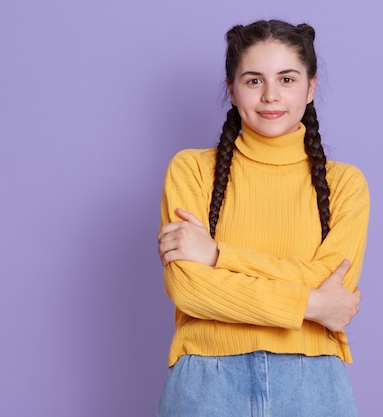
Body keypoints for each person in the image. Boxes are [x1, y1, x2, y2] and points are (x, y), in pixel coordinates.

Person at [156, 19, 370, 417]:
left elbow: (334, 287)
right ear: (232, 91)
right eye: (254, 81)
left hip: (312, 386)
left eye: (287, 79)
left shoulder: (344, 183)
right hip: (207, 382)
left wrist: (219, 256)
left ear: (310, 88)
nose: (271, 96)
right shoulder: (192, 170)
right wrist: (312, 304)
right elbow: (189, 289)